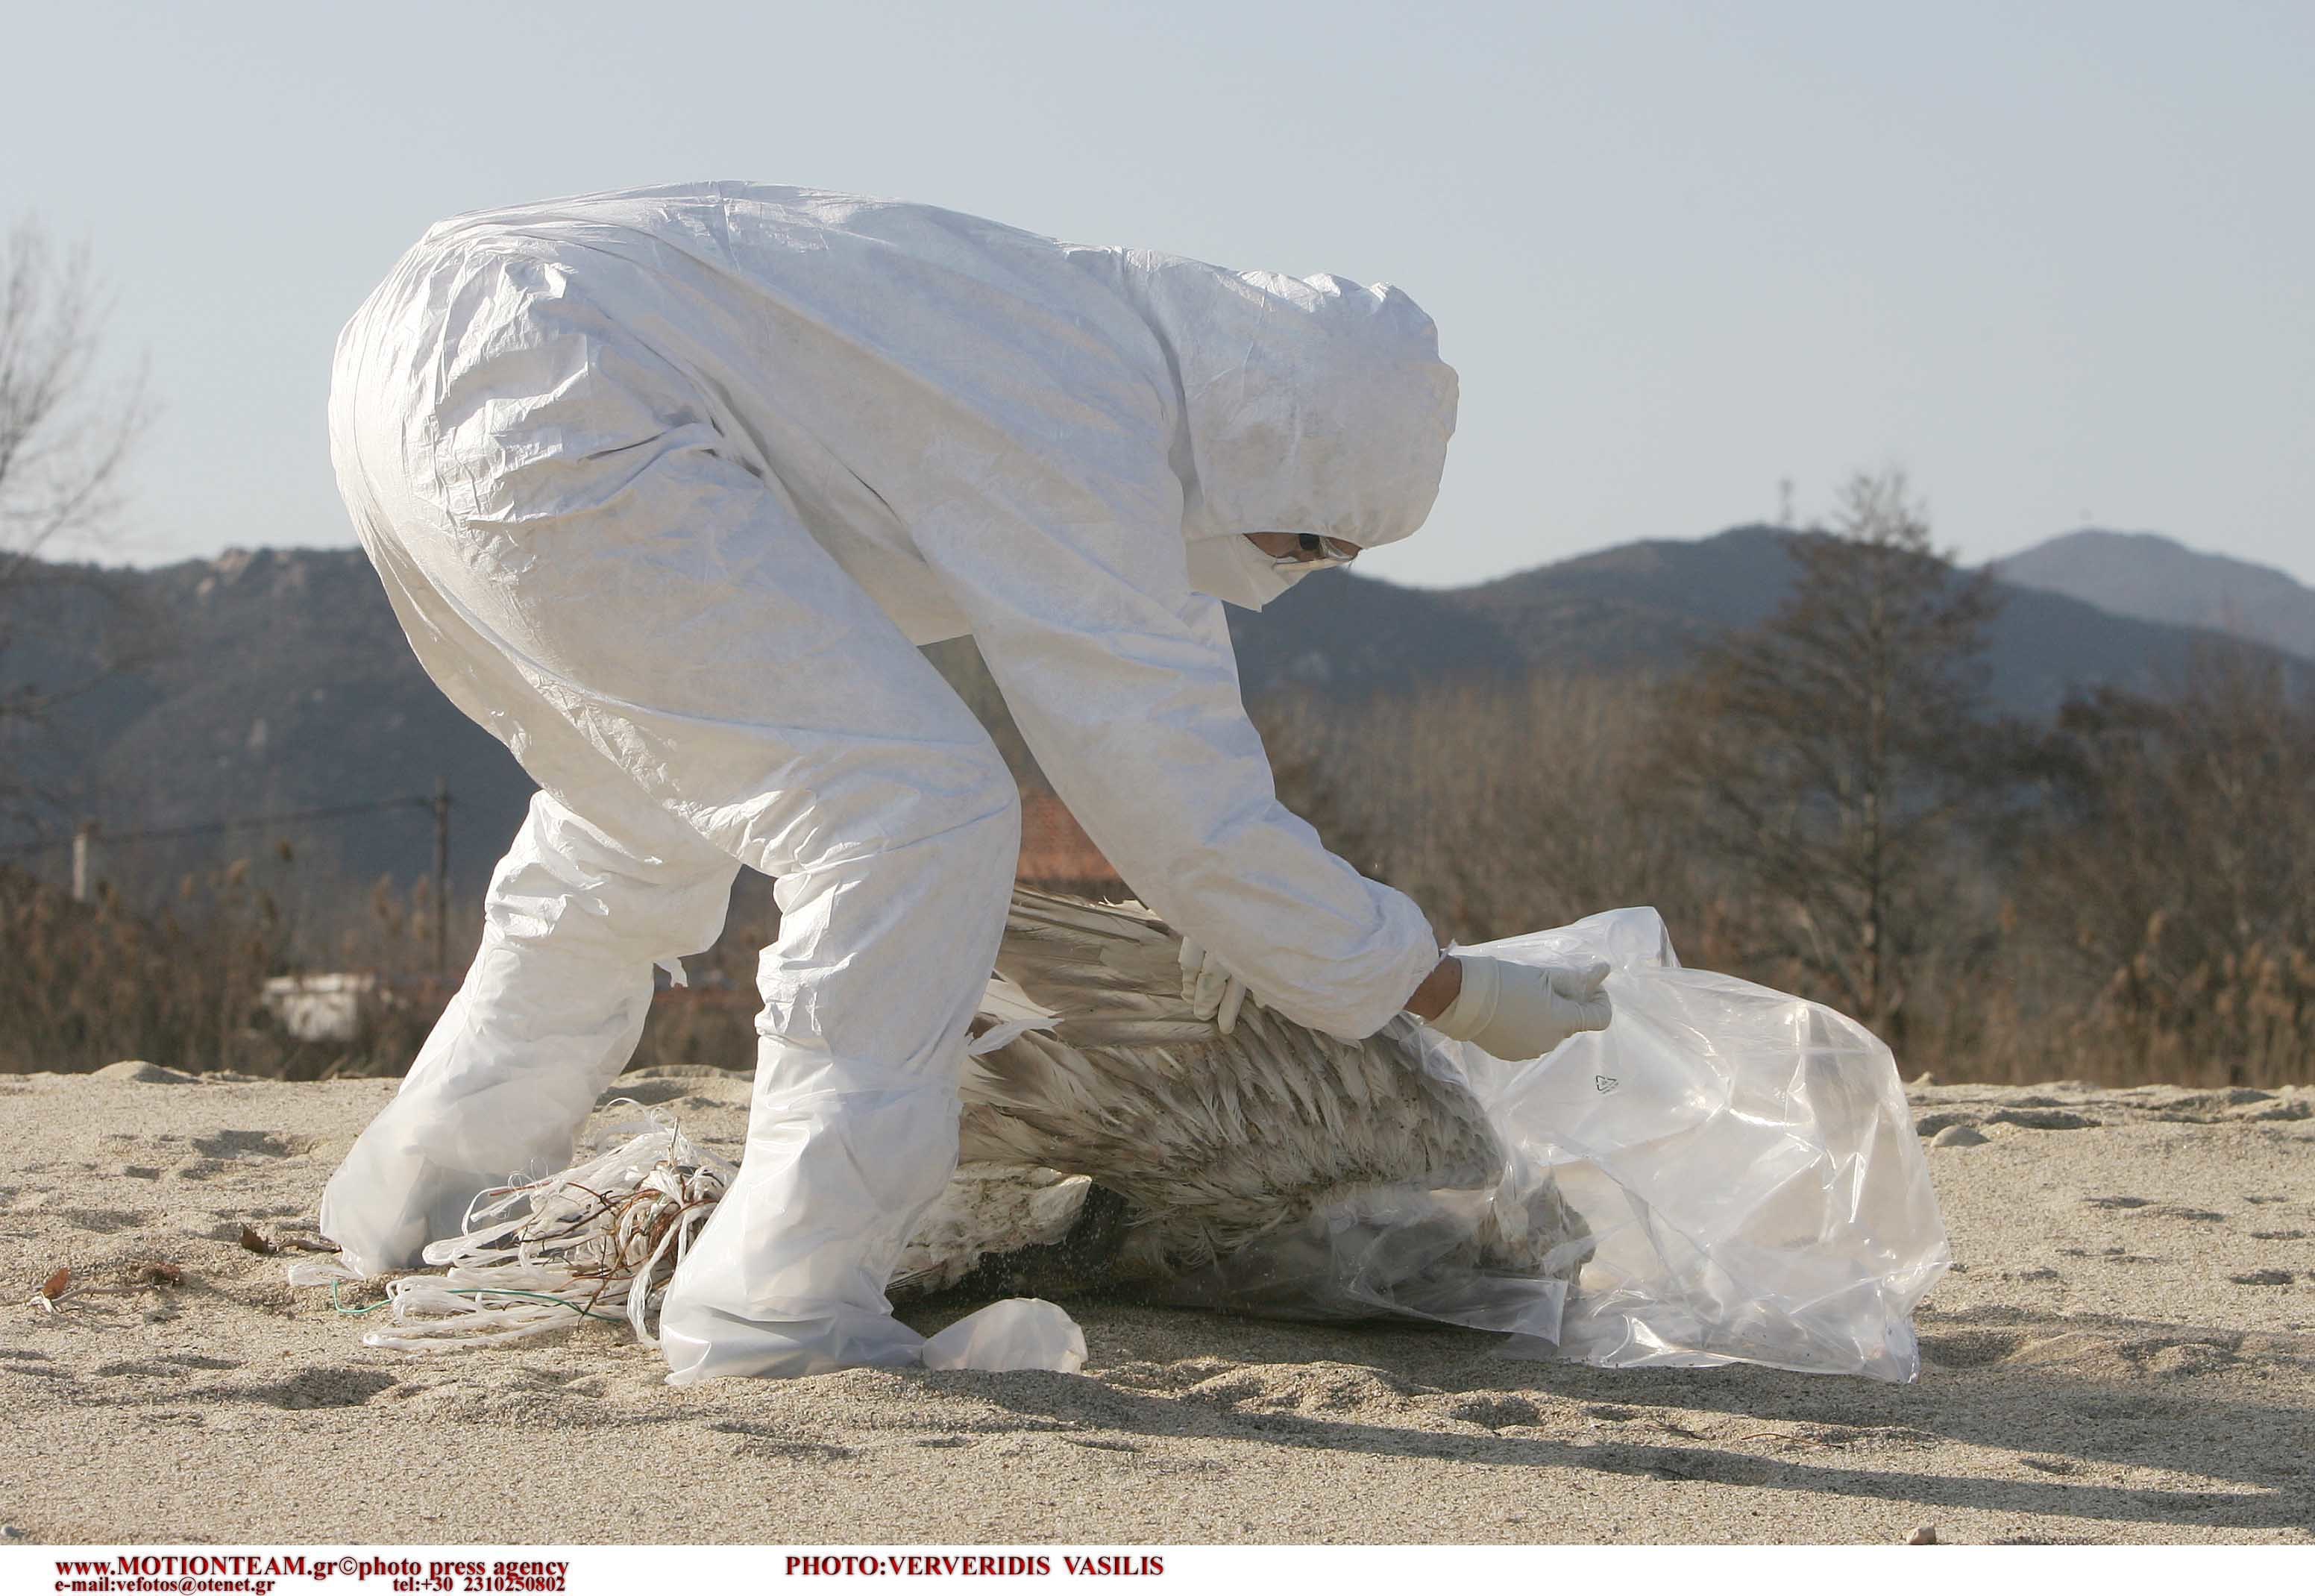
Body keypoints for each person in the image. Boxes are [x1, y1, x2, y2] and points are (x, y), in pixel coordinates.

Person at [318, 181, 1612, 1381]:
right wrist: (1441, 982)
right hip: (557, 391)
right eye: (1321, 536)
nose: (1302, 567)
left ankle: (419, 1198)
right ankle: (784, 1305)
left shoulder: (1073, 337)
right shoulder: (1092, 421)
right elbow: (1182, 805)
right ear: (1278, 445)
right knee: (911, 812)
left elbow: (1170, 761)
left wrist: (1314, 934)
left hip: (425, 353)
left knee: (634, 817)